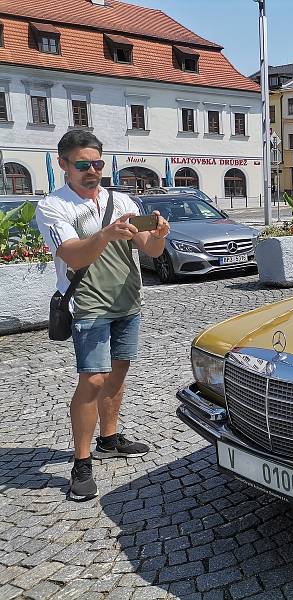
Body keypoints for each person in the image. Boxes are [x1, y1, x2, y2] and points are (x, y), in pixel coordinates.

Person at [36, 130, 170, 501]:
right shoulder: (53, 206)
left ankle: (109, 439)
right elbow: (74, 256)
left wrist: (159, 234)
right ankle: (81, 461)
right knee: (93, 380)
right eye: (83, 165)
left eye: (97, 163)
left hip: (127, 301)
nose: (92, 171)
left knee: (119, 371)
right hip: (89, 304)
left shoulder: (122, 199)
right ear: (63, 165)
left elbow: (152, 251)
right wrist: (107, 233)